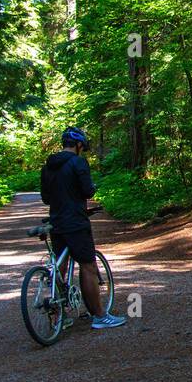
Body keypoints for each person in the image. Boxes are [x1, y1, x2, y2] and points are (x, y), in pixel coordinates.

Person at [40, 127, 125, 330]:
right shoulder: (78, 162)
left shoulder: (48, 166)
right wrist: (90, 188)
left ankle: (59, 317)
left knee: (60, 265)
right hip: (76, 222)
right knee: (88, 265)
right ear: (78, 145)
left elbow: (46, 198)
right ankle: (100, 316)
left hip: (56, 222)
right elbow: (87, 191)